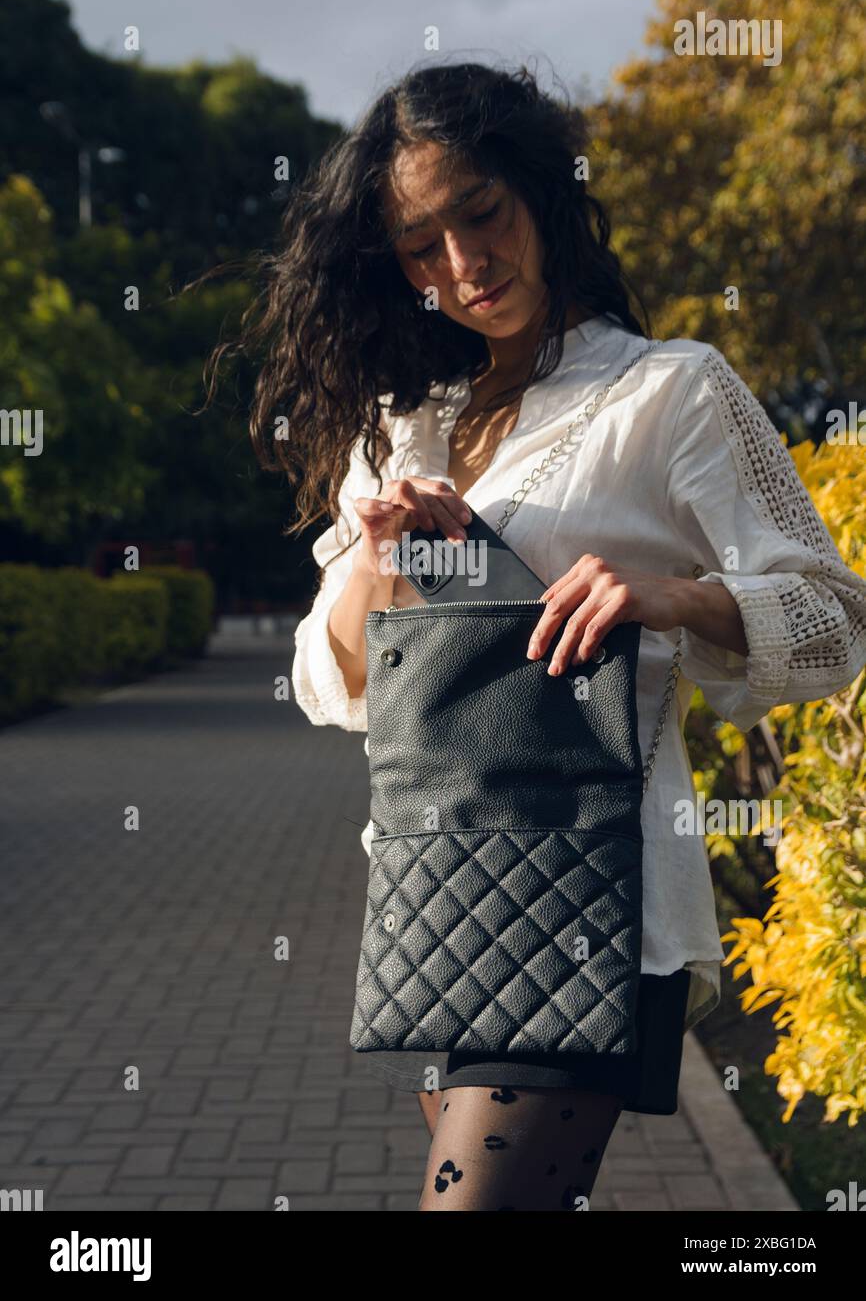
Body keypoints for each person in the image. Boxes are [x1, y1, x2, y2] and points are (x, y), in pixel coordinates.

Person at [211, 61, 866, 1210]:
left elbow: (835, 621)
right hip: (433, 899)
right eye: (421, 246)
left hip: (592, 902)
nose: (462, 265)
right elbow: (332, 684)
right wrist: (380, 556)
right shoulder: (403, 425)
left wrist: (668, 594)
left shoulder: (670, 391)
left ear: (540, 195)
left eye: (481, 215)